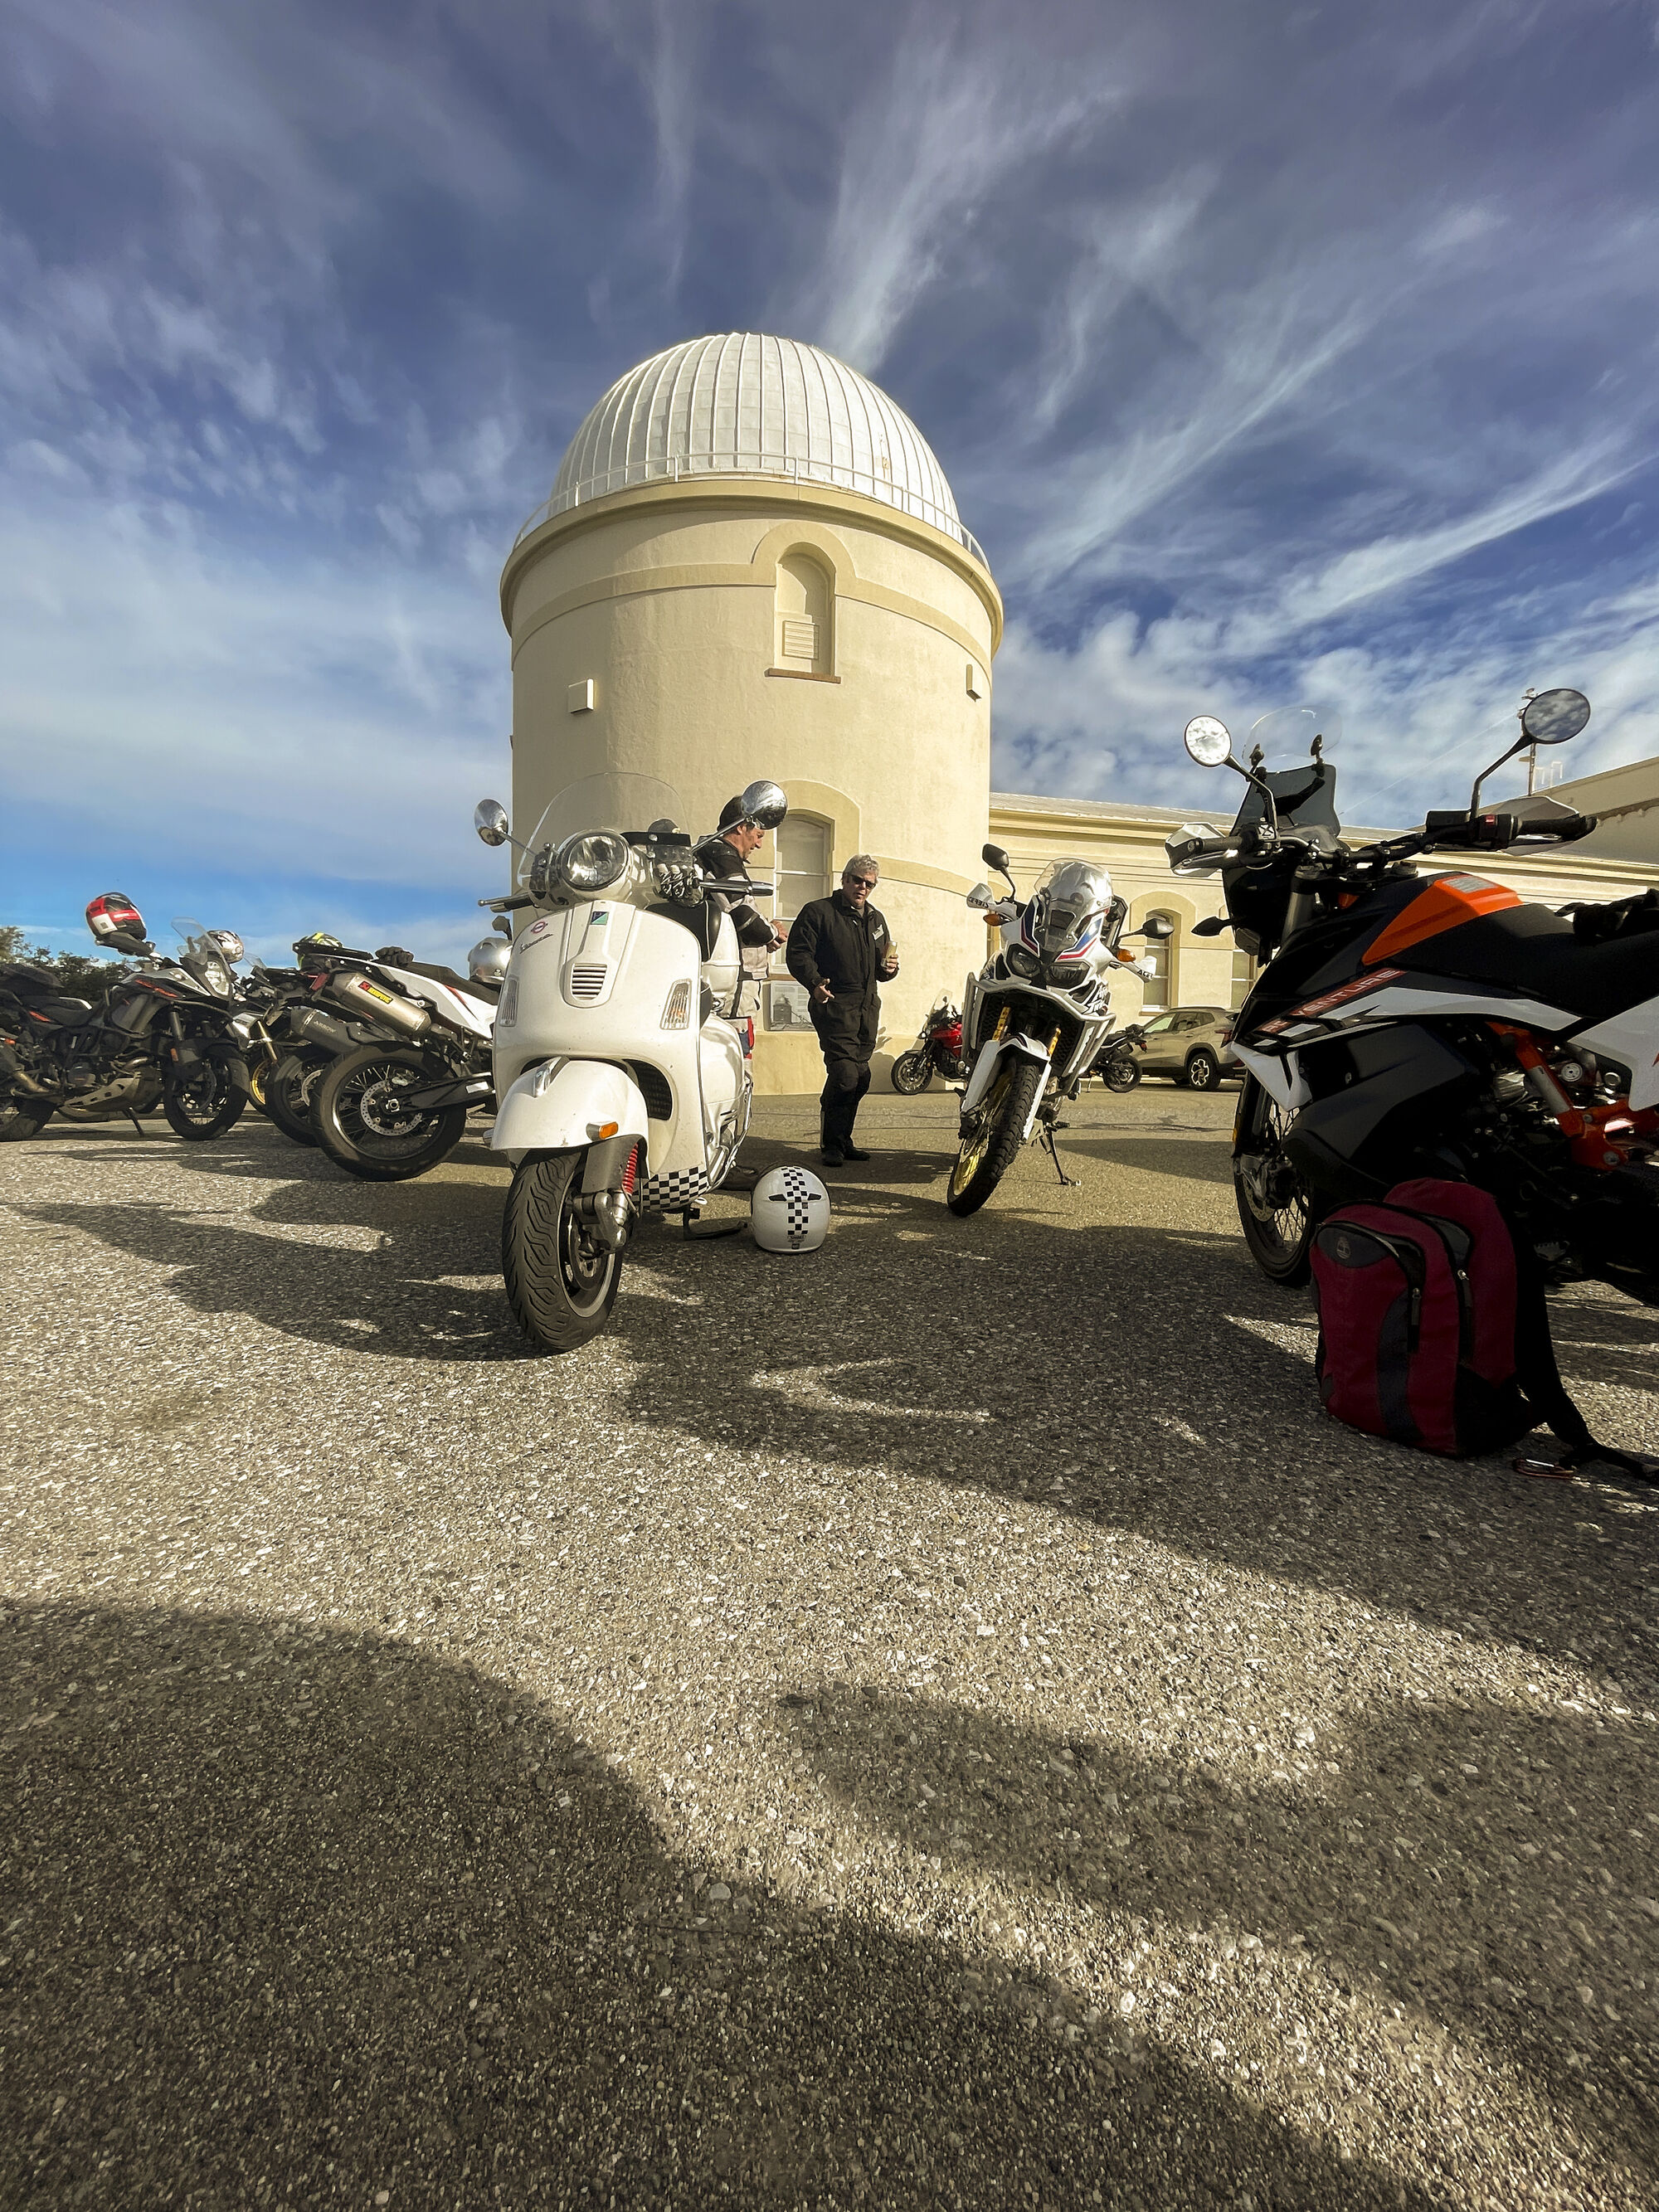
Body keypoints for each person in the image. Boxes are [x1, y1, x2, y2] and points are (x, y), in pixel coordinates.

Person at [785, 853, 898, 1168]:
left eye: (870, 884)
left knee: (860, 1077)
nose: (863, 888)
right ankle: (831, 1144)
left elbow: (881, 967)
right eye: (858, 881)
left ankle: (843, 1140)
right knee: (846, 1075)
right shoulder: (819, 912)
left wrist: (889, 968)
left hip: (867, 1007)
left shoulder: (875, 919)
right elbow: (798, 953)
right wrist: (814, 982)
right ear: (845, 879)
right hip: (834, 1003)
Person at [695, 797, 787, 959]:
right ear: (741, 827)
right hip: (736, 971)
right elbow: (743, 915)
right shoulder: (722, 857)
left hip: (736, 967)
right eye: (759, 835)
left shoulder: (719, 856)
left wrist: (766, 935)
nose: (759, 844)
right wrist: (773, 932)